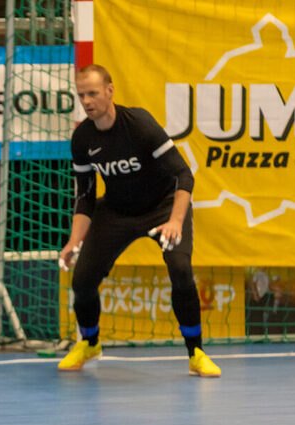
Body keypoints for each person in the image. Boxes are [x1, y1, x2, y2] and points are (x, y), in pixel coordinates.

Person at [58, 64, 220, 377]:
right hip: (116, 212)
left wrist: (175, 221)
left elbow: (183, 175)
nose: (87, 101)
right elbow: (86, 196)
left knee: (180, 269)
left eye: (93, 93)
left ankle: (196, 353)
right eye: (81, 95)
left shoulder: (139, 124)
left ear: (110, 91)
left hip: (163, 208)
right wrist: (73, 242)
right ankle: (89, 343)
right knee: (82, 281)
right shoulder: (82, 139)